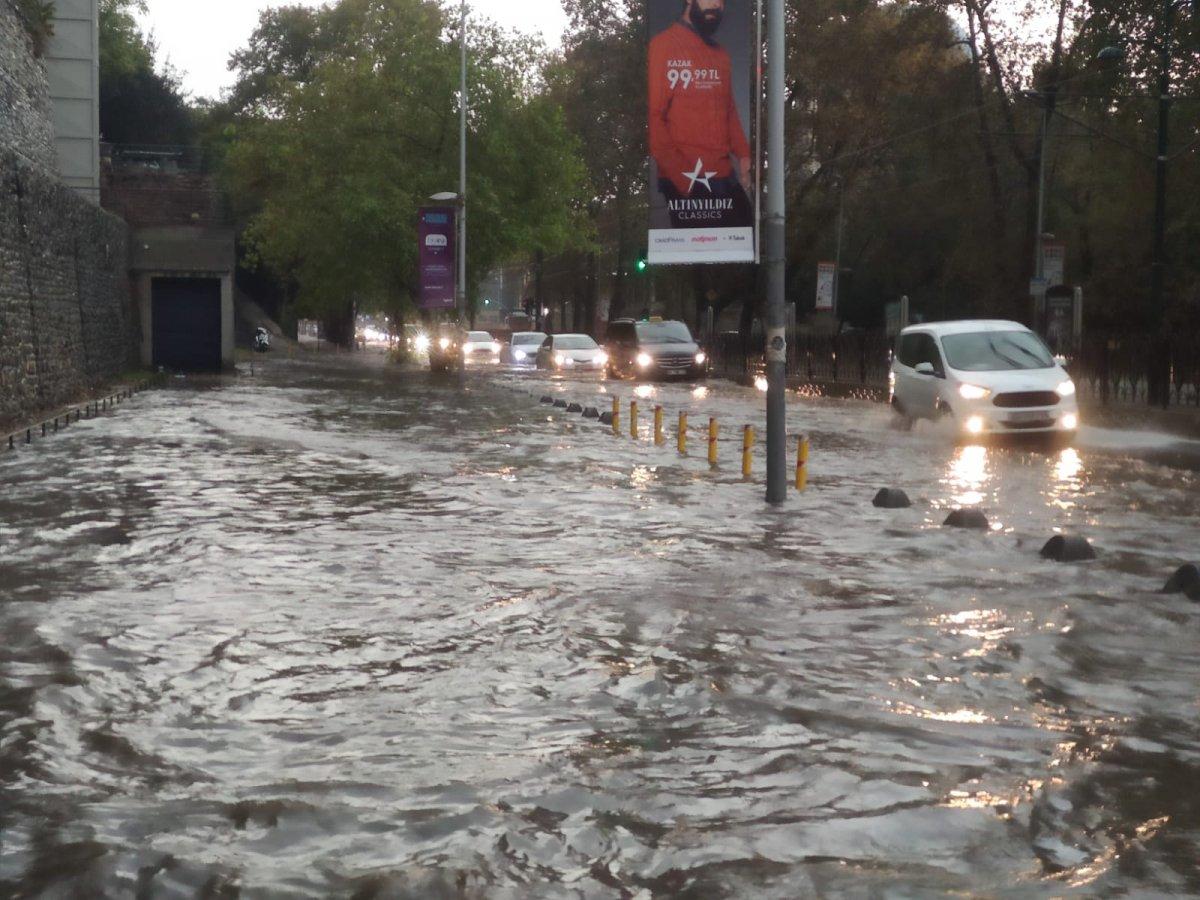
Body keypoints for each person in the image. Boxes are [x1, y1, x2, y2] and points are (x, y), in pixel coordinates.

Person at [648, 0, 753, 229]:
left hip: (724, 176)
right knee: (700, 253)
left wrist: (744, 155)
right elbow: (654, 119)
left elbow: (729, 110)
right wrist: (685, 181)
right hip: (686, 180)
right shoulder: (663, 45)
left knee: (747, 241)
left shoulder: (721, 55)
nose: (716, 4)